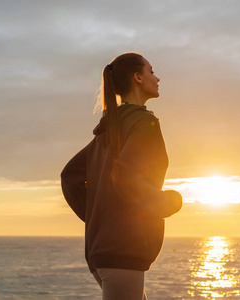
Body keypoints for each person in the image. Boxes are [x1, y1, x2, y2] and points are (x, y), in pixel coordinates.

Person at [60, 52, 183, 300]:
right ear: (137, 78)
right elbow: (126, 177)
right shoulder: (142, 123)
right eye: (151, 71)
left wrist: (100, 218)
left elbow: (69, 176)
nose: (157, 78)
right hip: (122, 251)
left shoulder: (110, 130)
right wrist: (168, 202)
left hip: (104, 251)